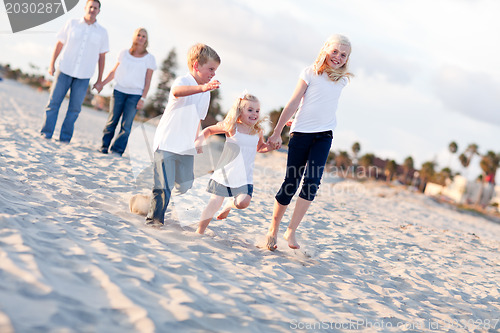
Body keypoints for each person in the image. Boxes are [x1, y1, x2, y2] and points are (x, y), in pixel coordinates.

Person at [265, 34, 353, 251]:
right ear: (325, 49)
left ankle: (291, 230)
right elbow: (294, 102)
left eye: (343, 55)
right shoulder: (310, 73)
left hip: (324, 136)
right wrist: (277, 133)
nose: (338, 57)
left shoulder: (341, 80)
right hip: (301, 134)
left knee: (312, 182)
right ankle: (273, 229)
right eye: (335, 51)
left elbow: (322, 105)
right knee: (291, 182)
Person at [145, 43, 221, 226]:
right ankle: (154, 221)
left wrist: (198, 140)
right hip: (166, 143)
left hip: (185, 146)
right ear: (196, 66)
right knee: (164, 187)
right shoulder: (183, 81)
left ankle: (149, 202)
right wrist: (203, 88)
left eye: (215, 70)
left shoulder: (205, 93)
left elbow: (198, 119)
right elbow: (178, 92)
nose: (213, 73)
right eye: (210, 68)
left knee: (185, 185)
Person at [195, 93, 273, 234]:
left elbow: (260, 147)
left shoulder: (258, 131)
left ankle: (229, 204)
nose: (254, 114)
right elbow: (209, 130)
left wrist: (270, 147)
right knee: (214, 204)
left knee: (243, 203)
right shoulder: (232, 127)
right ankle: (200, 231)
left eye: (257, 111)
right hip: (224, 174)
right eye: (250, 110)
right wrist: (199, 141)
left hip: (244, 178)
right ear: (240, 111)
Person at [40, 0, 109, 143]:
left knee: (74, 109)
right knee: (53, 103)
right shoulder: (71, 23)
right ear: (85, 8)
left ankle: (65, 138)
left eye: (95, 8)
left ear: (99, 11)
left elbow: (102, 57)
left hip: (84, 76)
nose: (92, 10)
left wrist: (99, 80)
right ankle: (46, 133)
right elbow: (59, 44)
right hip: (64, 69)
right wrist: (52, 64)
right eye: (90, 7)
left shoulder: (102, 32)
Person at [94, 27, 156, 156]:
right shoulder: (124, 53)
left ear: (146, 40)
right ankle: (104, 146)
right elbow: (114, 72)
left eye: (144, 36)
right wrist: (102, 84)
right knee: (112, 121)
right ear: (134, 37)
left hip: (135, 95)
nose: (141, 37)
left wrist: (143, 98)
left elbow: (148, 80)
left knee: (126, 125)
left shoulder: (150, 59)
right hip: (119, 91)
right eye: (139, 35)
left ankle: (117, 150)